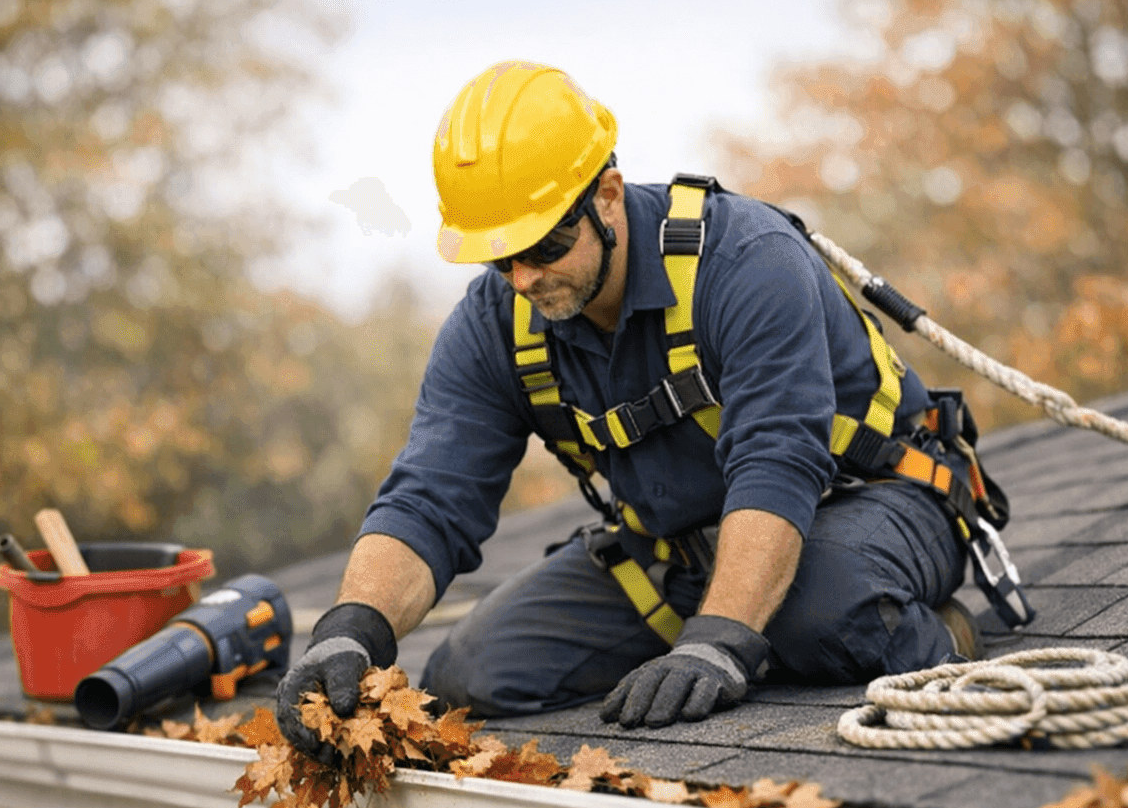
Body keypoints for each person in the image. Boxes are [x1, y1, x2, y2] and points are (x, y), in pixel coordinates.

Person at [276, 60, 1008, 756]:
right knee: (470, 674)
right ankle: (743, 624)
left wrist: (719, 639)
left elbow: (776, 461)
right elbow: (430, 496)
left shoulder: (745, 259)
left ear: (607, 196)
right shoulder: (493, 324)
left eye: (546, 244)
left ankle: (931, 632)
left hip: (868, 501)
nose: (524, 277)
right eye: (501, 257)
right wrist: (351, 631)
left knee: (821, 611)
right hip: (676, 553)